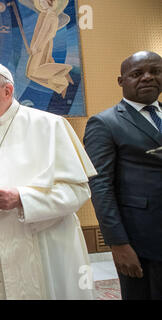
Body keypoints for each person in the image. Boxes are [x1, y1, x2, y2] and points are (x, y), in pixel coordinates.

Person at [0, 62, 97, 299]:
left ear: (7, 91)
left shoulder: (50, 125)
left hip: (46, 244)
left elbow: (78, 191)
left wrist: (21, 199)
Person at [83, 51, 162, 300]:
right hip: (142, 241)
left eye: (156, 71)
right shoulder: (104, 123)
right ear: (121, 81)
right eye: (137, 74)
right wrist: (118, 244)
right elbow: (100, 186)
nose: (148, 78)